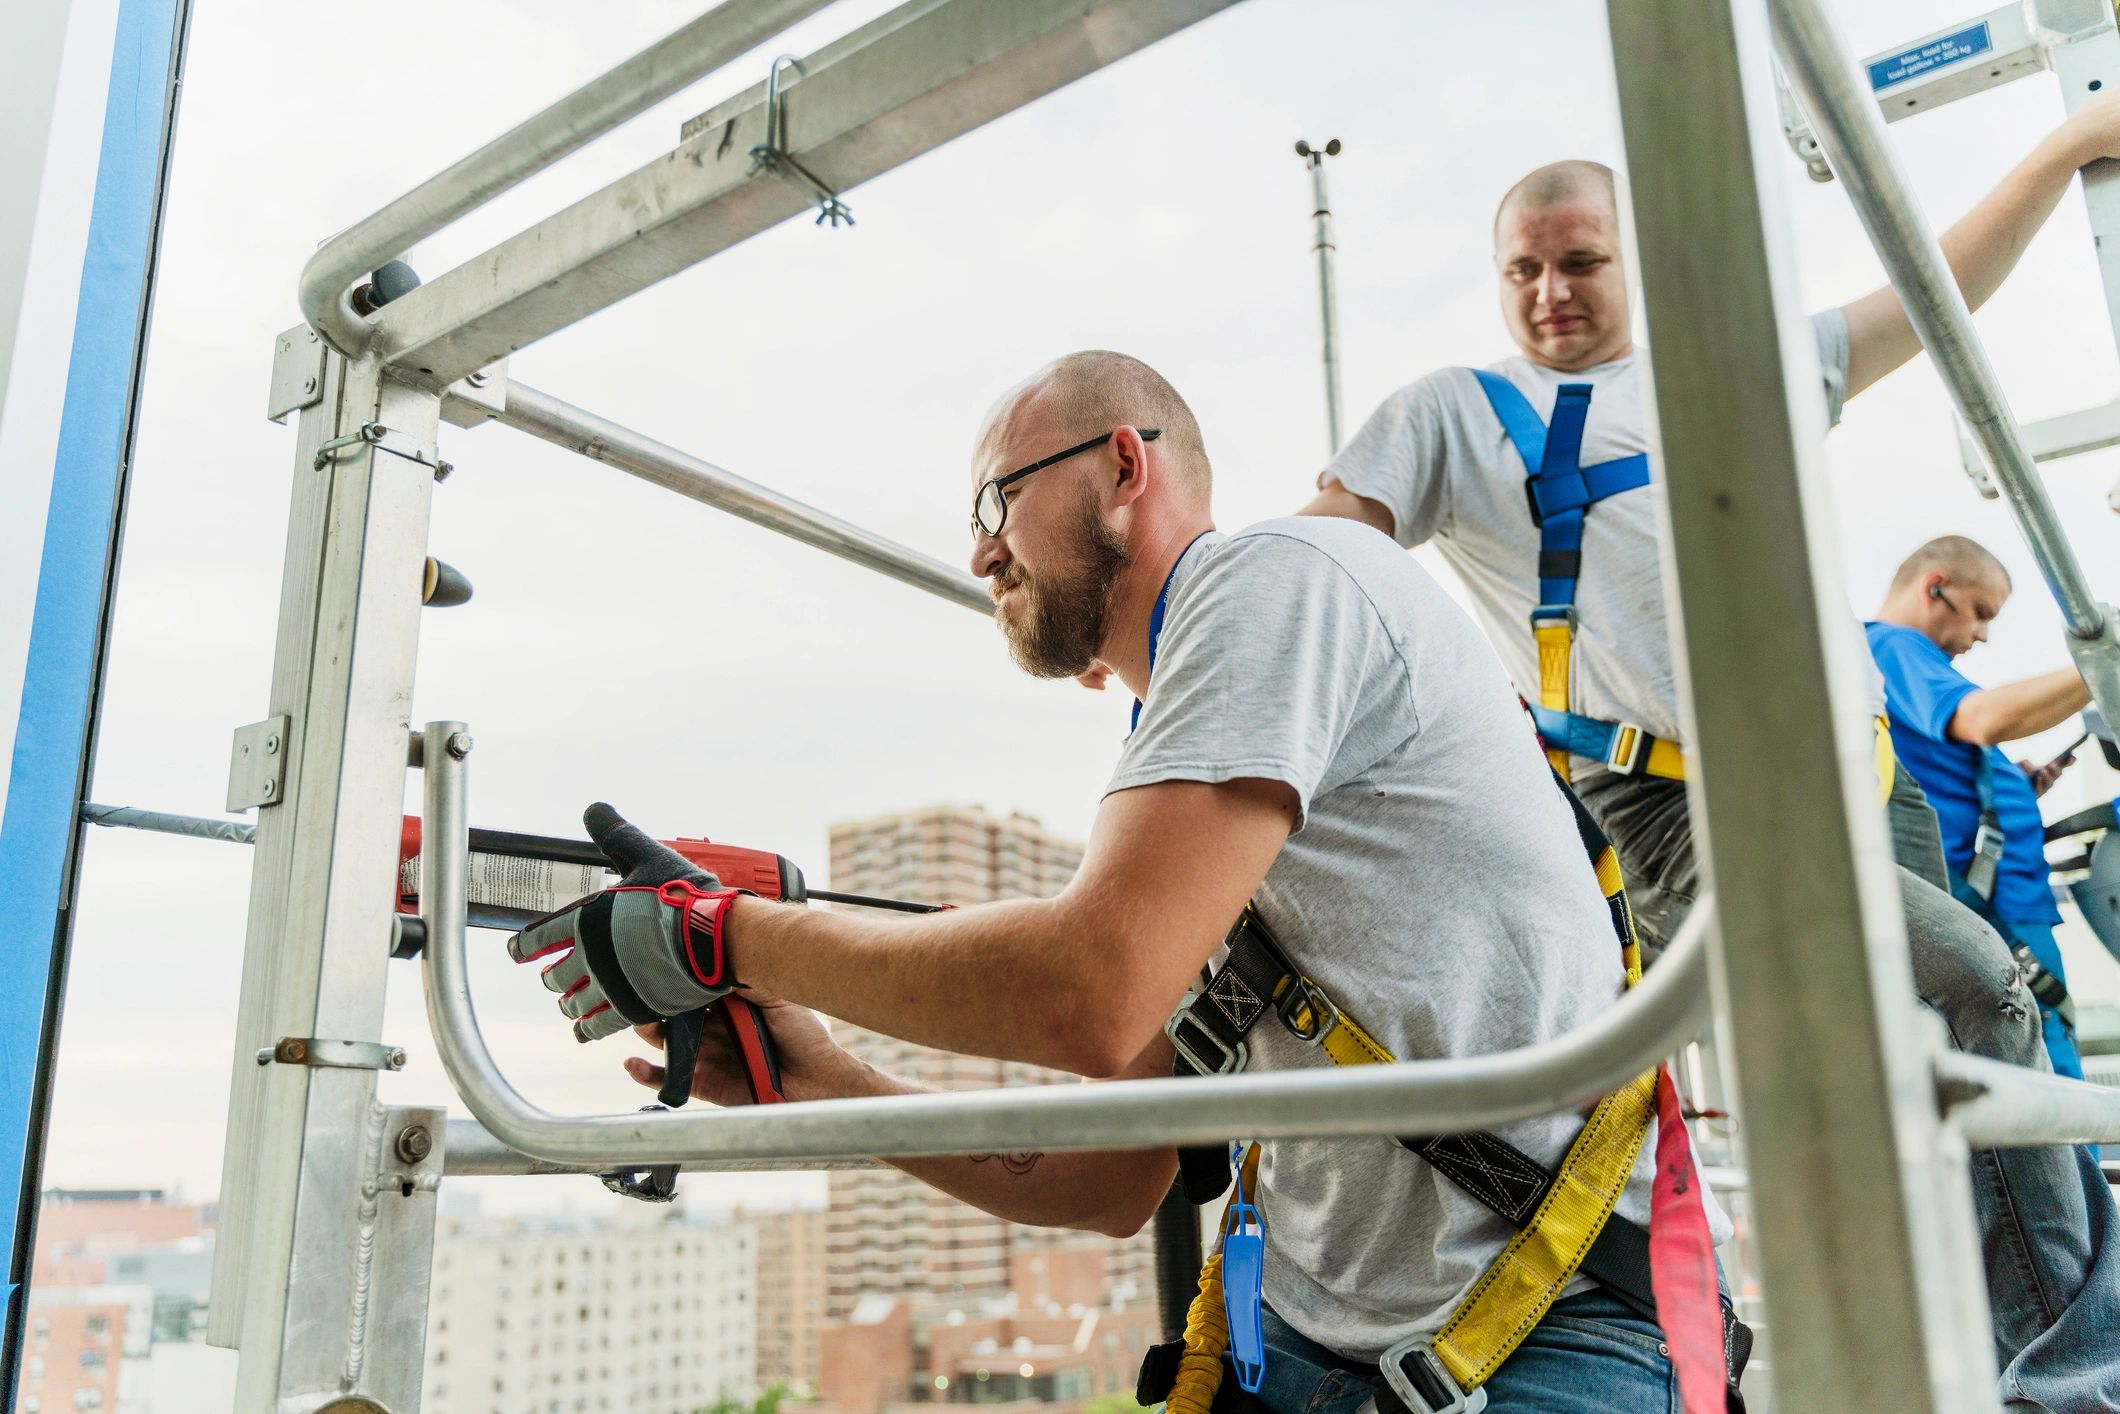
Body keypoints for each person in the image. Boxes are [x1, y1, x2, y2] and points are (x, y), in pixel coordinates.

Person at [513, 352, 1729, 1411]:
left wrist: (721, 935)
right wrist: (813, 1078)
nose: (980, 550)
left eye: (997, 496)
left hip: (1556, 1333)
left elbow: (1089, 991)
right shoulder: (1202, 787)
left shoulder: (1273, 578)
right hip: (1313, 1351)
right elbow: (1105, 1177)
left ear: (1123, 467)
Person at [1290, 114, 2120, 1407]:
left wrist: (2067, 146)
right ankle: (2069, 1380)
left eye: (1580, 262)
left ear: (1638, 262)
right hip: (1681, 806)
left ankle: (1995, 1346)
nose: (1550, 292)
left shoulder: (1732, 365)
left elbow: (1932, 288)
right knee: (1979, 992)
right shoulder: (1455, 415)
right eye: (1523, 269)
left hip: (1862, 778)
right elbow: (1320, 560)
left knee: (1944, 1055)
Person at [1868, 535, 2096, 1081]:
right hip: (1990, 905)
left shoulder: (1900, 659)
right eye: (1980, 613)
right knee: (2046, 1067)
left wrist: (2014, 787)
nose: (1983, 635)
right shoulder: (1893, 645)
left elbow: (1938, 766)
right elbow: (1983, 718)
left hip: (1999, 899)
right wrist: (2100, 663)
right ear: (1934, 587)